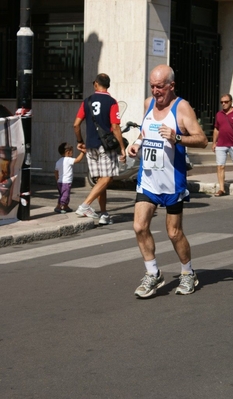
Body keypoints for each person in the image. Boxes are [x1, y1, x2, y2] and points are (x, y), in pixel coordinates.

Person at [127, 64, 208, 298]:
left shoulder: (182, 108)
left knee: (174, 233)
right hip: (148, 179)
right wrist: (136, 144)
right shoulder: (148, 104)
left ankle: (187, 273)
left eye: (160, 87)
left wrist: (177, 137)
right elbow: (145, 132)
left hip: (172, 182)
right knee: (139, 226)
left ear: (171, 86)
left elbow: (202, 140)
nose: (155, 91)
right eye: (152, 86)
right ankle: (153, 274)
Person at [73, 73, 126, 225]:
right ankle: (85, 205)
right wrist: (122, 147)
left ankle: (103, 214)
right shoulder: (111, 102)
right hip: (106, 146)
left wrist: (80, 141)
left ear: (96, 84)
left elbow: (76, 124)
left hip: (90, 146)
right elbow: (115, 126)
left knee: (100, 181)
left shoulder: (87, 101)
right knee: (107, 178)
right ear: (107, 85)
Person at [54, 142, 85, 214]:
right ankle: (61, 206)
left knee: (62, 194)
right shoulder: (68, 159)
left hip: (60, 182)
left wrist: (57, 179)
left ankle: (65, 206)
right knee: (65, 195)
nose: (72, 154)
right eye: (72, 152)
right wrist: (83, 153)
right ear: (68, 152)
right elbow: (77, 160)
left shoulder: (58, 161)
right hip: (66, 182)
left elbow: (55, 172)